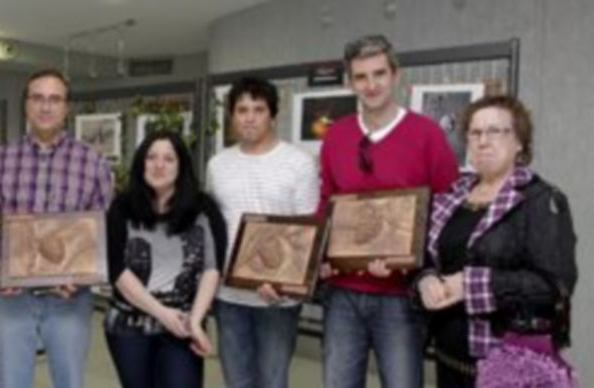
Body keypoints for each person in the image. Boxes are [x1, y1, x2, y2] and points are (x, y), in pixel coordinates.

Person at [317, 35, 459, 388]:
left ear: (396, 75)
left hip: (401, 297)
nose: (371, 84)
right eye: (361, 77)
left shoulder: (427, 134)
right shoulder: (336, 136)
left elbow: (447, 210)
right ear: (351, 82)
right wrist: (319, 254)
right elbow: (326, 202)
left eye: (379, 73)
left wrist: (415, 264)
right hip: (342, 293)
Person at [0, 68, 113, 388]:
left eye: (55, 99)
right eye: (38, 98)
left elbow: (105, 233)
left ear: (66, 107)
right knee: (12, 382)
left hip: (69, 299)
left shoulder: (92, 163)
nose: (46, 107)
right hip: (10, 298)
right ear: (26, 105)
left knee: (69, 381)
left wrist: (82, 274)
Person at [416, 95, 577, 387]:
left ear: (519, 142)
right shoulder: (453, 195)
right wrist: (426, 279)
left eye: (496, 131)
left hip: (510, 365)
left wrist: (469, 284)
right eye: (475, 132)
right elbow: (428, 258)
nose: (483, 141)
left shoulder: (541, 200)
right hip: (448, 356)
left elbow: (556, 283)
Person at [207, 77, 320, 388]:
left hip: (277, 300)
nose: (250, 117)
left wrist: (284, 281)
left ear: (273, 114)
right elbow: (215, 228)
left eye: (258, 109)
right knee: (237, 381)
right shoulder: (217, 165)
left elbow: (305, 235)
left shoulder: (299, 163)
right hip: (228, 297)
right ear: (232, 115)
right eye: (242, 109)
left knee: (273, 381)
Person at [104, 130, 227, 388]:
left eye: (169, 159)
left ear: (181, 165)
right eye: (152, 157)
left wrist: (194, 320)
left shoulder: (204, 208)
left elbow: (213, 268)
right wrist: (162, 313)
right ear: (141, 163)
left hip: (183, 323)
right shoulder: (121, 208)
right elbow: (117, 270)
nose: (159, 165)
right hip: (129, 324)